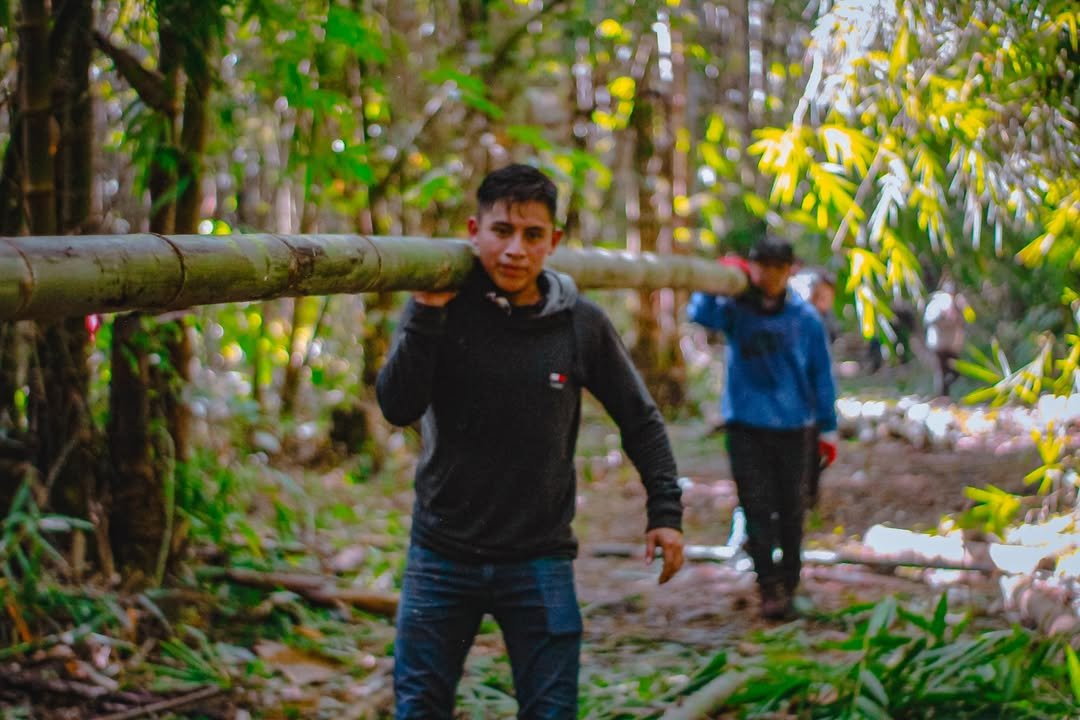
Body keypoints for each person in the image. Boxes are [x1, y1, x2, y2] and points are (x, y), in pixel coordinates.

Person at [376, 163, 685, 718]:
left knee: (551, 711)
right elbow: (398, 406)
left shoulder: (579, 324)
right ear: (475, 231)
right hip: (441, 554)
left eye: (533, 235)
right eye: (502, 232)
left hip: (539, 559)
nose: (515, 250)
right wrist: (425, 314)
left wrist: (665, 510)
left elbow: (640, 419)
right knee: (419, 707)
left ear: (554, 242)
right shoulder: (437, 308)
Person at [688, 235, 837, 620]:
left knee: (792, 509)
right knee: (755, 507)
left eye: (776, 267)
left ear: (791, 271)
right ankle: (767, 585)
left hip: (794, 429)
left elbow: (821, 374)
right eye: (761, 265)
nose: (768, 274)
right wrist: (718, 277)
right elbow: (700, 313)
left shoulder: (805, 319)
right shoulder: (737, 310)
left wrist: (828, 427)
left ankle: (791, 580)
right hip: (746, 427)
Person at [923, 276, 969, 397]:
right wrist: (943, 318)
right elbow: (929, 320)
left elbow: (964, 322)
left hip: (952, 344)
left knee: (954, 372)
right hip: (938, 344)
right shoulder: (937, 303)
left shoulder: (958, 303)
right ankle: (942, 398)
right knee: (942, 372)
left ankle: (944, 397)